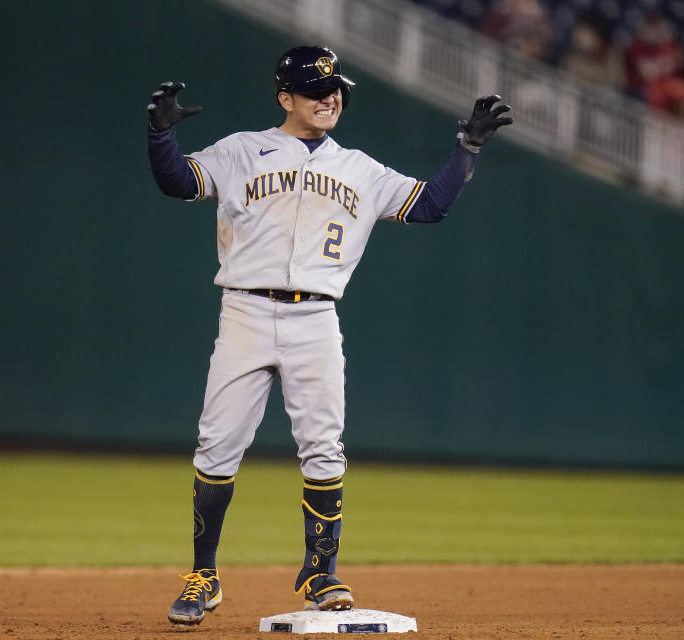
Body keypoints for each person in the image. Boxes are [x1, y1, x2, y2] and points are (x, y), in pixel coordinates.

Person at [146, 45, 511, 627]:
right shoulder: (241, 150)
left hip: (316, 318)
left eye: (335, 89)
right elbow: (176, 183)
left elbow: (431, 206)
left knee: (323, 446)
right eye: (317, 90)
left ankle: (320, 570)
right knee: (217, 446)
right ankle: (204, 574)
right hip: (244, 310)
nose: (330, 98)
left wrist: (467, 149)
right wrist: (160, 138)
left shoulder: (361, 169)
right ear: (285, 98)